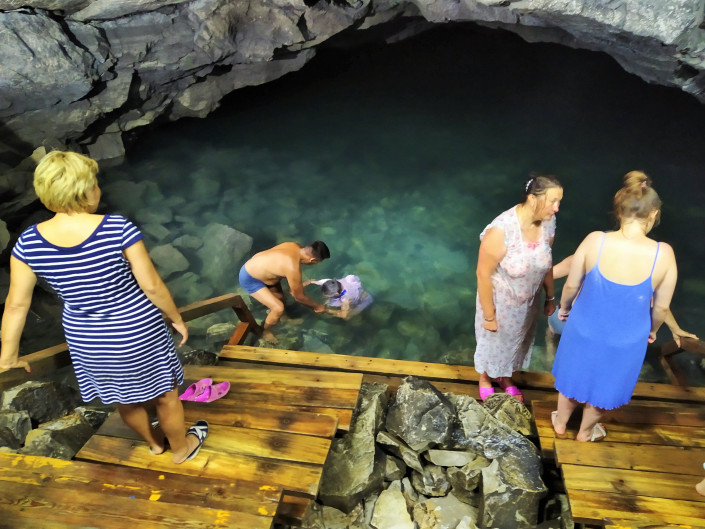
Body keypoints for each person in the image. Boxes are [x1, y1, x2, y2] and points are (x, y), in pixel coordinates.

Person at [0, 151, 208, 464]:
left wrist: (8, 355)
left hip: (88, 340)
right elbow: (152, 285)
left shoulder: (28, 243)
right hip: (138, 329)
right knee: (166, 395)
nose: (99, 189)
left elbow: (17, 304)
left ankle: (154, 445)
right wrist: (176, 317)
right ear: (85, 191)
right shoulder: (116, 228)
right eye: (95, 183)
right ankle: (182, 448)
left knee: (125, 401)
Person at [551, 171, 677, 442]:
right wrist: (653, 330)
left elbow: (571, 285)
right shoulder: (664, 254)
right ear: (654, 214)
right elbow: (661, 308)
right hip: (627, 338)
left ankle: (560, 423)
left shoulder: (595, 240)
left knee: (575, 373)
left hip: (584, 327)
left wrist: (564, 308)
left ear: (618, 210)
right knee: (605, 385)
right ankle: (585, 432)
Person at [475, 174, 563, 402]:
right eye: (552, 201)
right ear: (533, 199)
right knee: (494, 345)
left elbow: (547, 261)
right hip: (501, 303)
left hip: (528, 304)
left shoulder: (548, 222)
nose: (556, 208)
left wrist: (550, 297)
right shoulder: (501, 230)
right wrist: (489, 316)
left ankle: (504, 376)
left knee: (516, 343)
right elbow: (483, 274)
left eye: (559, 202)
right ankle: (485, 378)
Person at [549, 255, 697, 345]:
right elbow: (659, 306)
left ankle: (550, 348)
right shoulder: (635, 273)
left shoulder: (582, 257)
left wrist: (548, 299)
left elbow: (549, 275)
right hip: (604, 333)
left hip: (568, 323)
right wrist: (675, 329)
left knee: (555, 322)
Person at [239, 241, 330, 342]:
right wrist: (317, 306)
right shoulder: (292, 267)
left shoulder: (293, 245)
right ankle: (265, 331)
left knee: (281, 298)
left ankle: (284, 319)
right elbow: (299, 297)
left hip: (257, 266)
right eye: (317, 262)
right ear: (312, 260)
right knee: (278, 308)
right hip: (250, 278)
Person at [304, 275, 373, 319]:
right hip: (351, 285)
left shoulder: (345, 299)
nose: (324, 295)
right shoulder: (327, 282)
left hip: (364, 299)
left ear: (336, 293)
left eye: (327, 294)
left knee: (348, 317)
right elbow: (310, 281)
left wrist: (326, 310)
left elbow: (344, 315)